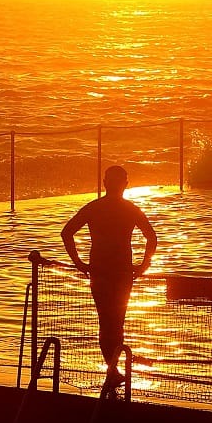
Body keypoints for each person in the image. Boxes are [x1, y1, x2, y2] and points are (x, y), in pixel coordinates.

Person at [61, 165, 158, 395]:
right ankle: (113, 370)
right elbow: (151, 237)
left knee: (106, 322)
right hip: (121, 272)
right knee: (116, 322)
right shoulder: (129, 209)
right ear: (125, 183)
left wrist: (79, 263)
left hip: (101, 272)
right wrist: (144, 264)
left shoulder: (96, 208)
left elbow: (67, 232)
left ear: (105, 183)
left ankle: (112, 369)